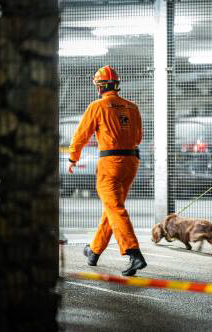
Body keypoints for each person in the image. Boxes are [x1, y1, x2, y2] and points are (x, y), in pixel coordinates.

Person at [68, 65, 147, 276]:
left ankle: (133, 253)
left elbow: (81, 135)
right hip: (132, 162)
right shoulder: (133, 107)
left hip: (110, 163)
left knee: (114, 208)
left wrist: (73, 158)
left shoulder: (97, 106)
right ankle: (94, 251)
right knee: (112, 208)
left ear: (100, 86)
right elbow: (138, 138)